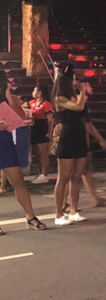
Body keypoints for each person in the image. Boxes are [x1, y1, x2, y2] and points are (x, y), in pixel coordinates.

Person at [0, 71, 47, 234]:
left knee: (18, 180)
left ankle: (31, 216)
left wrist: (8, 95)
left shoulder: (2, 81)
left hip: (3, 139)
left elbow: (21, 116)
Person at [51, 64, 91, 226]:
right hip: (67, 136)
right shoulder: (59, 98)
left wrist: (83, 93)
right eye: (73, 79)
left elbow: (83, 111)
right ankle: (59, 214)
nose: (76, 81)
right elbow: (78, 107)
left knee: (76, 176)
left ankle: (74, 210)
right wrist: (83, 93)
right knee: (63, 177)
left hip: (79, 135)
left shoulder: (74, 95)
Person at [28, 85, 54, 184]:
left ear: (40, 93)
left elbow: (50, 119)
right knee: (37, 152)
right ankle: (40, 173)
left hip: (42, 127)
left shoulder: (46, 104)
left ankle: (45, 174)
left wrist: (50, 132)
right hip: (34, 127)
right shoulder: (32, 103)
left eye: (34, 90)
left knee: (43, 152)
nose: (33, 92)